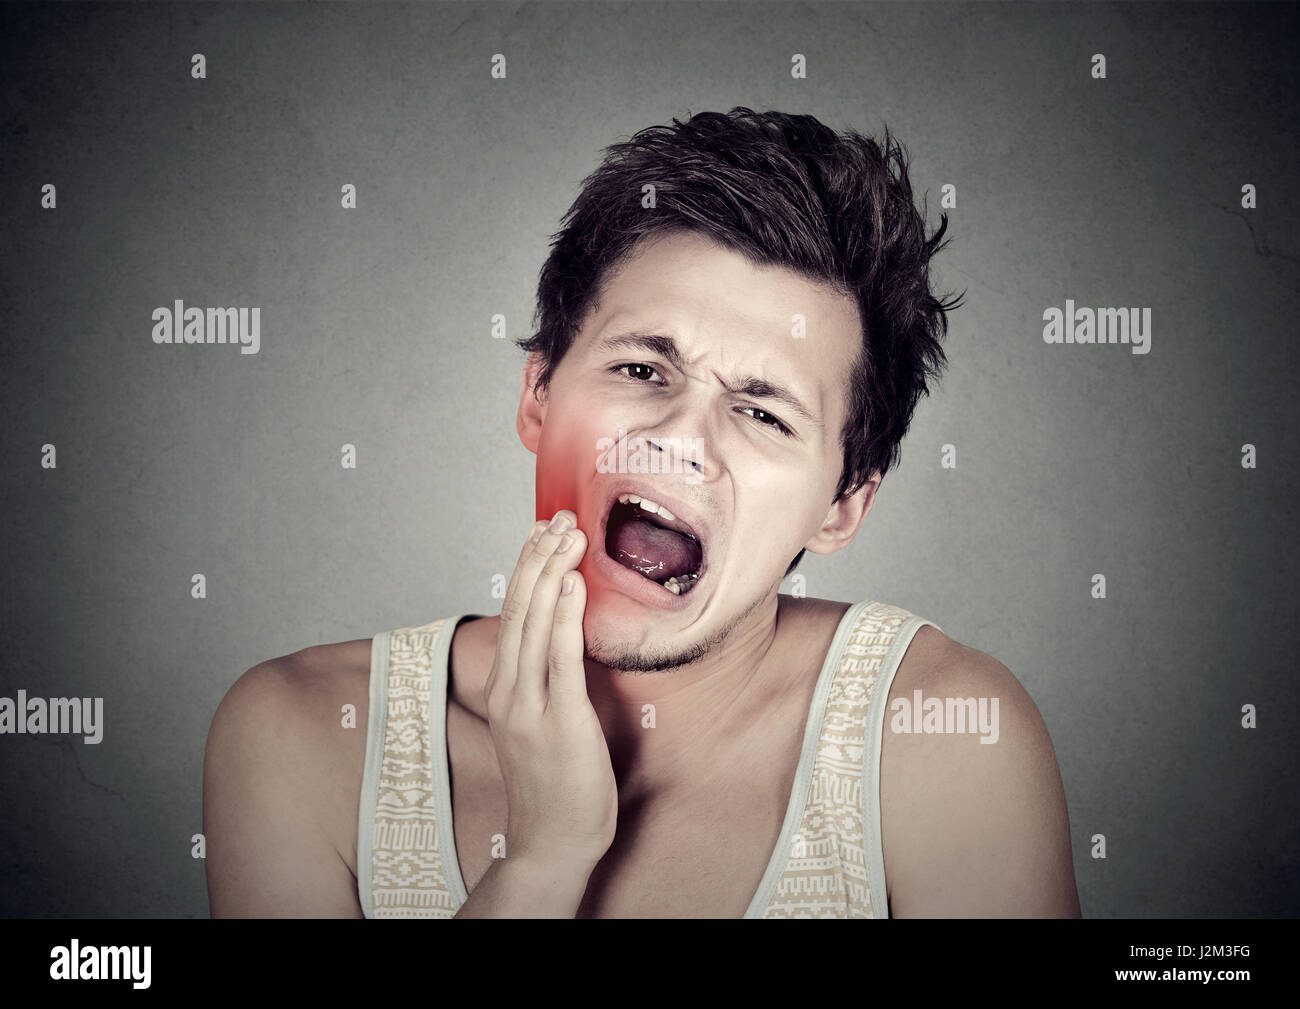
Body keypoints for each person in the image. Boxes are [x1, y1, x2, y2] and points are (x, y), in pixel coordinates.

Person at [203, 108, 1081, 918]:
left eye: (764, 412)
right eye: (641, 370)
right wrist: (543, 859)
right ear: (539, 396)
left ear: (842, 508)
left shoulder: (942, 743)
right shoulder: (302, 739)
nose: (679, 439)